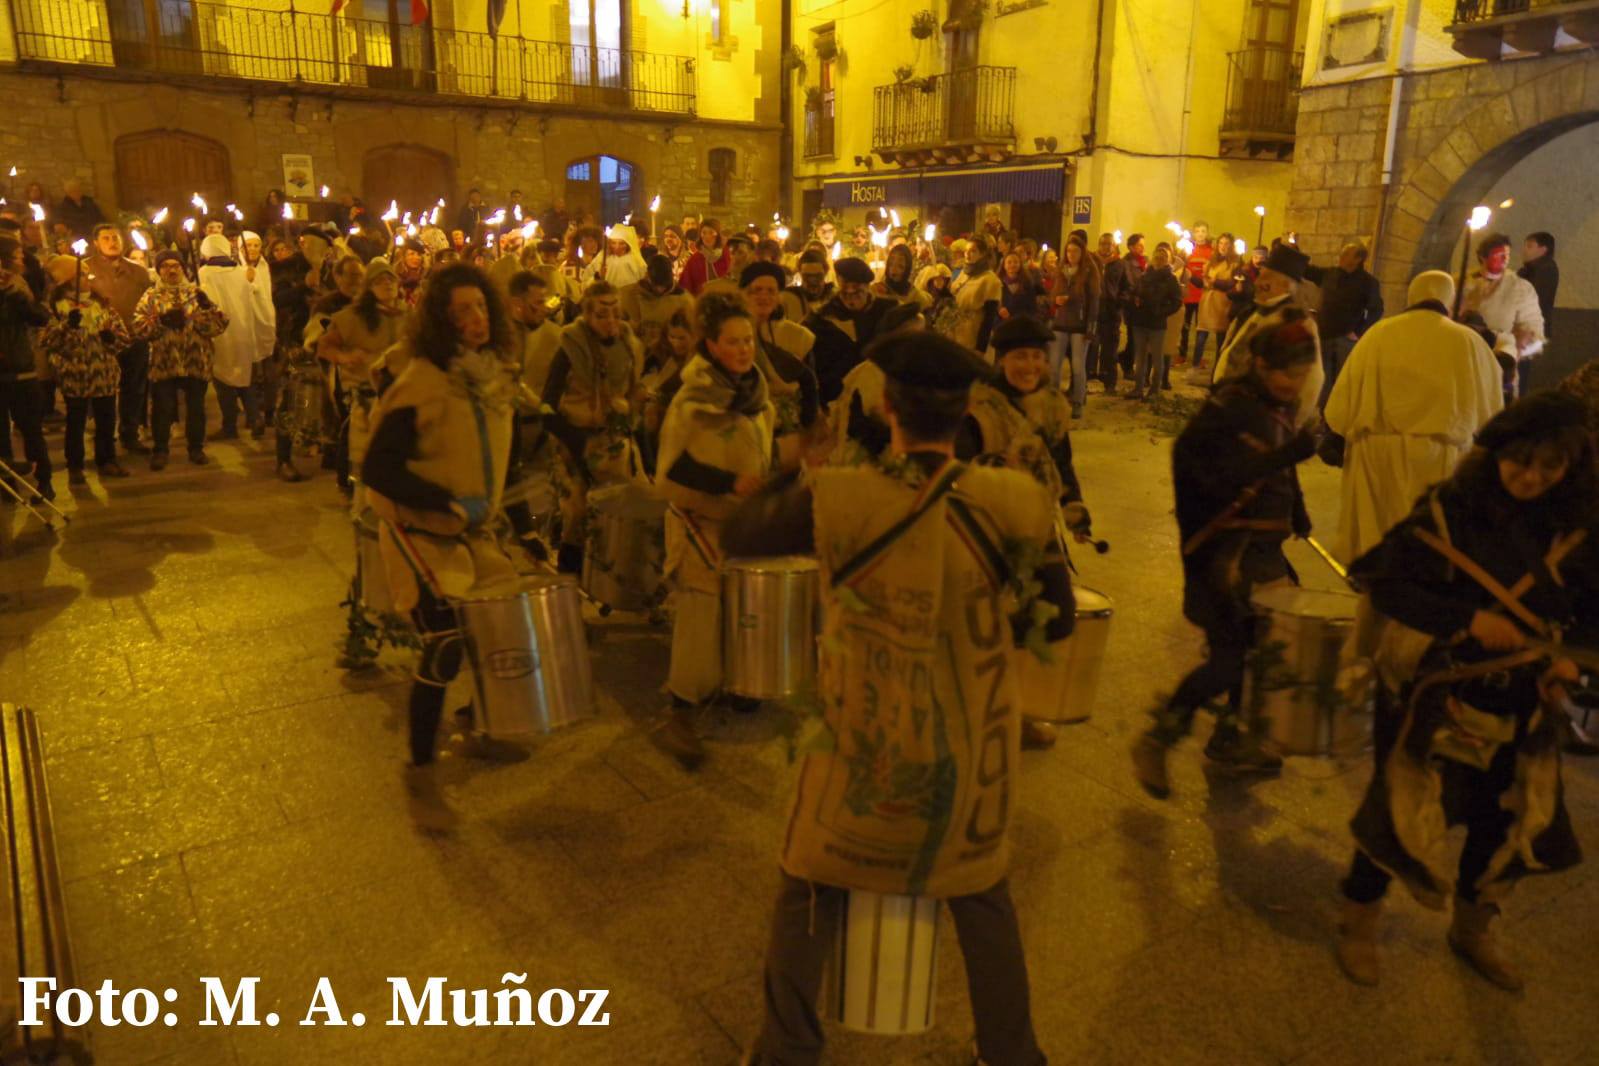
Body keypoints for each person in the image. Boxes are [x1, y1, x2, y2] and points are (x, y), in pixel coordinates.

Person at [722, 330, 1071, 1066]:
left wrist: (803, 472)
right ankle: (1013, 1054)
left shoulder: (842, 496)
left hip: (865, 742)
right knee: (981, 891)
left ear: (884, 408)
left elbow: (742, 535)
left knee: (807, 884)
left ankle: (785, 1050)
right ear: (966, 410)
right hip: (973, 746)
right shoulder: (1013, 499)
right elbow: (1058, 616)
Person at [1333, 391, 1598, 990]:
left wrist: (1570, 666)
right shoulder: (1450, 511)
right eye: (1519, 461)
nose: (1531, 477)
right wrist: (1469, 621)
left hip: (1525, 702)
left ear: (1571, 466)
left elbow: (1591, 612)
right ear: (1497, 452)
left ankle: (1473, 929)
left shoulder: (1582, 528)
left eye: (1549, 466)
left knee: (1501, 821)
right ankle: (1358, 923)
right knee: (1397, 814)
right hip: (1437, 692)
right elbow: (1385, 585)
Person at [361, 264, 529, 829]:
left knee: (499, 624)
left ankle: (482, 726)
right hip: (419, 529)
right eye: (461, 311)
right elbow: (379, 471)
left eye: (480, 307)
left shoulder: (494, 374)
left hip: (470, 530)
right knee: (444, 643)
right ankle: (421, 776)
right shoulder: (422, 382)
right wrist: (446, 502)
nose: (475, 319)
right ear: (439, 319)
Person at [1132, 315, 1323, 799]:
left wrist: (1296, 508)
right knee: (1229, 662)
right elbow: (1212, 476)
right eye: (1285, 373)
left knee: (1264, 652)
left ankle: (1231, 740)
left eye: (1300, 375)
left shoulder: (1274, 406)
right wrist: (1287, 458)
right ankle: (1158, 738)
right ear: (1259, 364)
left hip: (1262, 555)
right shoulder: (1226, 410)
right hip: (1222, 561)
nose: (1293, 384)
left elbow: (1277, 463)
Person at [651, 291, 794, 765]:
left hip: (740, 521)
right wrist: (731, 481)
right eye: (732, 342)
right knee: (701, 614)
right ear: (711, 346)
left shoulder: (756, 393)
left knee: (743, 605)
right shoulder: (691, 399)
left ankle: (740, 682)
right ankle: (681, 712)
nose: (743, 349)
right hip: (699, 521)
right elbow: (673, 468)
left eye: (748, 340)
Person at [1323, 270, 1502, 564]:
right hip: (1440, 458)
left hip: (1376, 458)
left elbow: (1341, 404)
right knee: (1427, 551)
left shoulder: (1379, 334)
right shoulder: (1468, 341)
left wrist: (1338, 435)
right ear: (1448, 299)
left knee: (1377, 545)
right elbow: (1492, 413)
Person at [541, 280, 646, 574]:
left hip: (613, 440)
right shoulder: (569, 348)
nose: (610, 321)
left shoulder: (629, 346)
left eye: (615, 312)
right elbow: (547, 405)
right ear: (587, 315)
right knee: (578, 511)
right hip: (572, 437)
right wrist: (576, 443)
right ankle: (569, 578)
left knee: (630, 505)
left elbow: (633, 392)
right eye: (602, 314)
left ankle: (622, 576)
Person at [134, 250, 228, 470]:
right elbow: (138, 327)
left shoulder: (197, 293)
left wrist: (208, 310)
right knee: (162, 408)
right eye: (165, 266)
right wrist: (161, 323)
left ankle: (196, 448)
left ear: (183, 268)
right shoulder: (151, 296)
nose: (171, 269)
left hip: (195, 359)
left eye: (175, 265)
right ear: (158, 271)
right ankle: (160, 449)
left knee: (196, 407)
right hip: (164, 361)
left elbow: (218, 326)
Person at [320, 258, 408, 494]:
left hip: (401, 391)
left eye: (390, 279)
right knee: (357, 437)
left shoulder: (409, 315)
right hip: (364, 391)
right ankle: (348, 483)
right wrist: (345, 357)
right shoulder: (351, 318)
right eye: (380, 281)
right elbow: (324, 346)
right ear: (369, 287)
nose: (387, 285)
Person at [1211, 243, 1322, 427]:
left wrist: (1285, 426)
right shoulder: (1255, 311)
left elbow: (1311, 382)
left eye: (1265, 278)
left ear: (1285, 285)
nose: (1257, 283)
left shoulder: (1296, 323)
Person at [40, 274, 131, 485]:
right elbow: (48, 341)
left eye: (87, 276)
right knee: (75, 423)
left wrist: (111, 339)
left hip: (103, 373)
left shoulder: (103, 306)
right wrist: (67, 327)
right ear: (67, 280)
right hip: (75, 375)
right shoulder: (57, 309)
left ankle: (107, 459)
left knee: (106, 421)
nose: (86, 280)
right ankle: (75, 465)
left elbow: (123, 339)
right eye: (78, 276)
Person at [83, 223, 154, 456]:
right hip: (103, 341)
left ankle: (130, 432)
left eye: (116, 237)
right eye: (106, 238)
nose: (112, 242)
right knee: (104, 392)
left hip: (135, 338)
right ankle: (104, 435)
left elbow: (150, 301)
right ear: (96, 242)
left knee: (133, 388)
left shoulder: (138, 271)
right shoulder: (85, 269)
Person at [197, 234, 274, 440]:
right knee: (244, 376)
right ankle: (255, 416)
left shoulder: (204, 273)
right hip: (243, 331)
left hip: (220, 333)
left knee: (223, 380)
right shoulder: (240, 271)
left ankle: (230, 426)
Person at [1461, 232, 1544, 399]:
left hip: (1499, 366)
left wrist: (1516, 348)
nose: (1505, 259)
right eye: (1499, 255)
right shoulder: (1460, 282)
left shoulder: (1520, 288)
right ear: (1483, 257)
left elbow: (1533, 328)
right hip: (1462, 362)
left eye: (1507, 254)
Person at [0, 236, 53, 498]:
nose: (21, 259)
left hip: (22, 370)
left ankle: (44, 482)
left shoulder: (18, 288)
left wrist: (12, 294)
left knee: (31, 429)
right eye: (16, 255)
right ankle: (6, 486)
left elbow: (39, 317)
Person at [805, 256, 893, 407]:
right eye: (846, 291)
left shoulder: (886, 311)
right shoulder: (822, 318)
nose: (851, 298)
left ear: (867, 287)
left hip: (878, 399)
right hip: (836, 400)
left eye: (857, 291)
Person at [1303, 242, 1384, 405]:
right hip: (1324, 334)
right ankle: (1321, 417)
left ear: (1358, 259)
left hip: (1345, 339)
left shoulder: (1368, 283)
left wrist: (1359, 332)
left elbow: (1376, 310)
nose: (1341, 257)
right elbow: (1308, 271)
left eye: (1347, 254)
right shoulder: (1331, 274)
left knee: (1343, 381)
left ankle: (1337, 419)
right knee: (1321, 380)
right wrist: (1294, 252)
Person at [1047, 238, 1099, 419]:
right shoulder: (1061, 271)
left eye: (1075, 251)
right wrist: (1055, 300)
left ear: (1082, 252)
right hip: (1060, 323)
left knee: (1077, 367)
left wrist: (1090, 328)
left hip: (1079, 325)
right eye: (1068, 251)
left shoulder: (1088, 272)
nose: (1071, 255)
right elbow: (1052, 294)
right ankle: (1053, 403)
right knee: (1054, 366)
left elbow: (1093, 302)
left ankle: (1077, 402)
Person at [1126, 245, 1183, 400]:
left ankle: (1154, 390)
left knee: (1157, 357)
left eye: (1162, 258)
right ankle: (1138, 388)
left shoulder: (1170, 279)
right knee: (1140, 357)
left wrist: (1162, 312)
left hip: (1157, 323)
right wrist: (1135, 299)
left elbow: (1177, 301)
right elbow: (1135, 292)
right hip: (1140, 321)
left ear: (1166, 260)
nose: (1158, 260)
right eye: (1156, 257)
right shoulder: (1145, 276)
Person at [618, 254, 693, 352]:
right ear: (647, 275)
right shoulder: (629, 295)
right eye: (655, 284)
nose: (659, 289)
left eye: (663, 285)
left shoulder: (684, 300)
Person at [1101, 233, 1146, 386]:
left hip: (1115, 310)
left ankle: (1110, 381)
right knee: (1095, 348)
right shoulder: (1095, 262)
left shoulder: (1124, 264)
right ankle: (1093, 378)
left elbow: (1127, 286)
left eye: (1109, 244)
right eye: (1103, 243)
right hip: (1100, 310)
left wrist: (1120, 301)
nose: (1106, 247)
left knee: (1112, 347)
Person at [947, 235, 1003, 357]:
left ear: (982, 254)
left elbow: (989, 319)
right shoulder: (963, 273)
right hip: (956, 337)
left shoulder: (991, 280)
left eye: (973, 251)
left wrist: (980, 348)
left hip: (973, 339)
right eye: (966, 251)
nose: (968, 254)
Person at [1192, 238, 1242, 373]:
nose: (1223, 246)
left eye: (1226, 244)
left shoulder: (1235, 264)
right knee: (1201, 334)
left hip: (1222, 302)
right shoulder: (1212, 261)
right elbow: (1204, 279)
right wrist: (1192, 277)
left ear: (1231, 246)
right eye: (1221, 243)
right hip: (1208, 300)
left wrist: (1216, 282)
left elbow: (1233, 283)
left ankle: (1217, 369)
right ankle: (1195, 366)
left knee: (1221, 336)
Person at [1176, 221, 1214, 366]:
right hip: (1187, 294)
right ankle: (1182, 354)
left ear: (1207, 233)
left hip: (1202, 295)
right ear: (1193, 233)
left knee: (1202, 327)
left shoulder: (1211, 252)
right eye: (1197, 231)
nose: (1200, 234)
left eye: (1203, 231)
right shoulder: (1188, 249)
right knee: (1184, 326)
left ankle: (1199, 356)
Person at [1517, 232, 1558, 342]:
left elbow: (1537, 298)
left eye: (1530, 246)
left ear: (1543, 250)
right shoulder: (1530, 269)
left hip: (1531, 329)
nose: (1524, 250)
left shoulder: (1544, 269)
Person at [679, 217, 731, 295]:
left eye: (711, 232)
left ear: (717, 234)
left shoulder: (727, 254)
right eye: (704, 232)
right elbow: (685, 284)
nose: (707, 236)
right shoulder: (695, 259)